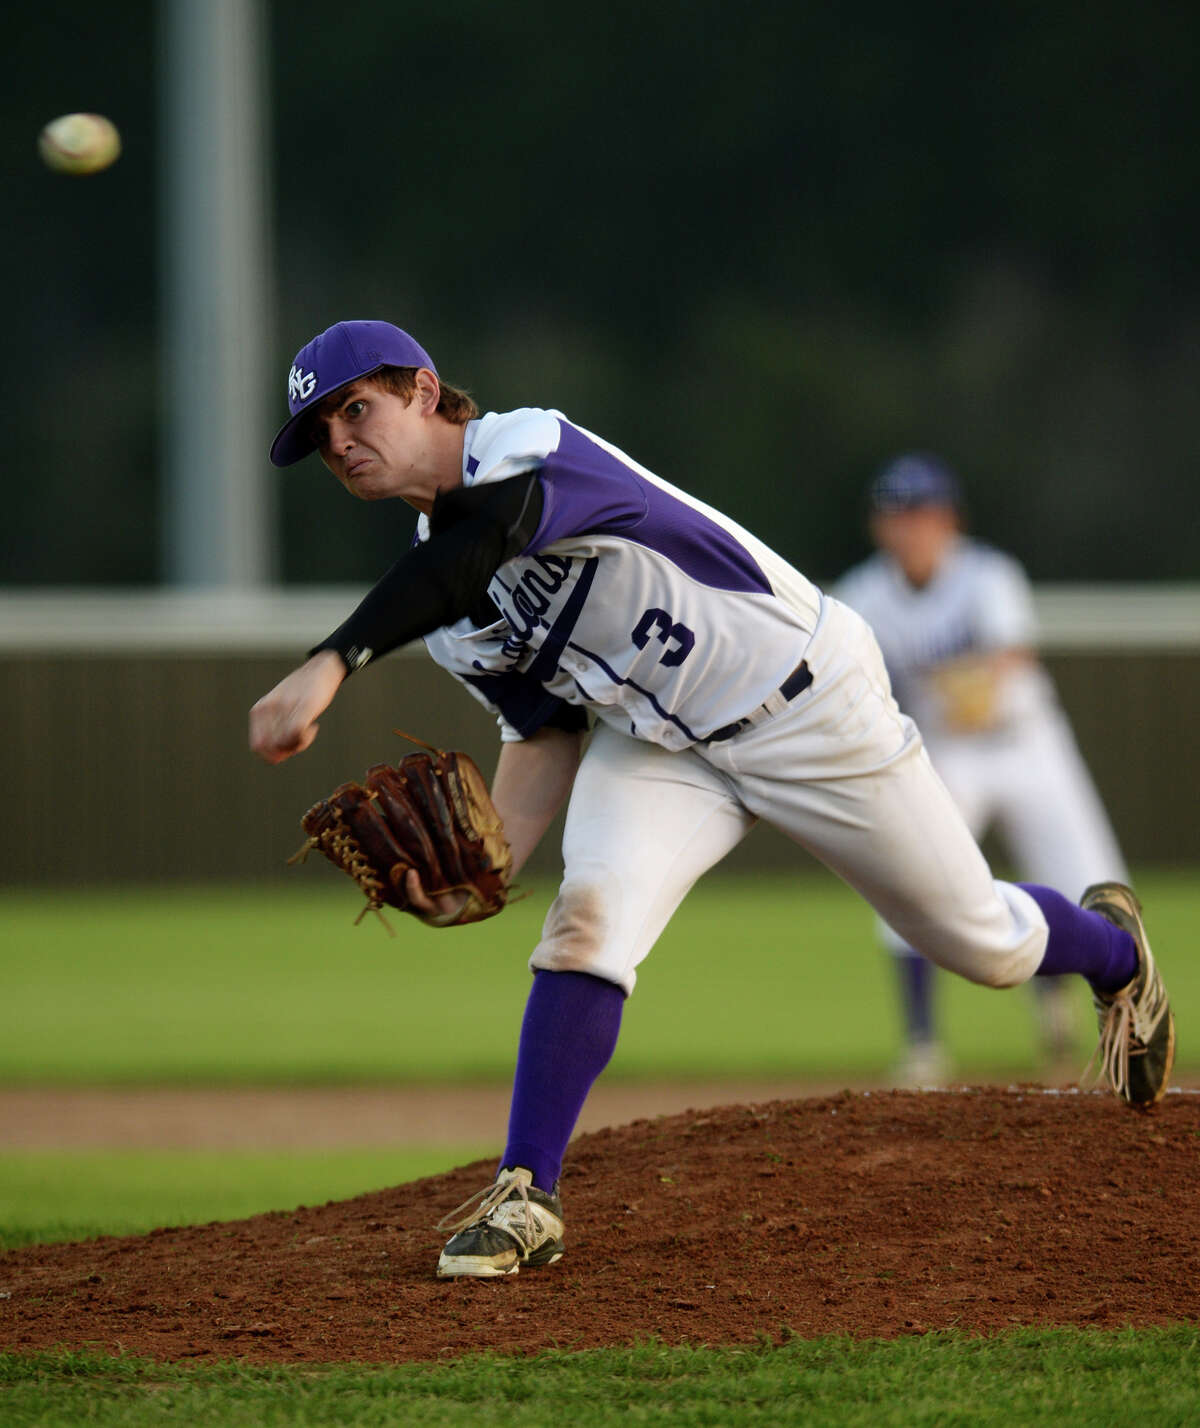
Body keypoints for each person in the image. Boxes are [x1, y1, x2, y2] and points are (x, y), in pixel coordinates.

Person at [250, 320, 1175, 1280]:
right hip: (664, 745)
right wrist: (486, 873)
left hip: (809, 700)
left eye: (356, 408)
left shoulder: (526, 446)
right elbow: (545, 734)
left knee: (984, 942)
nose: (342, 442)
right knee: (585, 924)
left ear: (427, 390)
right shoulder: (455, 628)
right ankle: (526, 1192)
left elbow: (475, 545)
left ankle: (1115, 951)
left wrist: (331, 663)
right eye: (320, 436)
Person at [835, 454, 1130, 1087]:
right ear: (879, 526)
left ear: (949, 519)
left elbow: (1011, 652)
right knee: (909, 871)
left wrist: (968, 681)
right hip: (945, 750)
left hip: (1028, 743)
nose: (911, 527)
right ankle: (922, 1043)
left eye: (921, 513)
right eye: (897, 515)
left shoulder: (988, 574)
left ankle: (1113, 1027)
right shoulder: (862, 595)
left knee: (1095, 881)